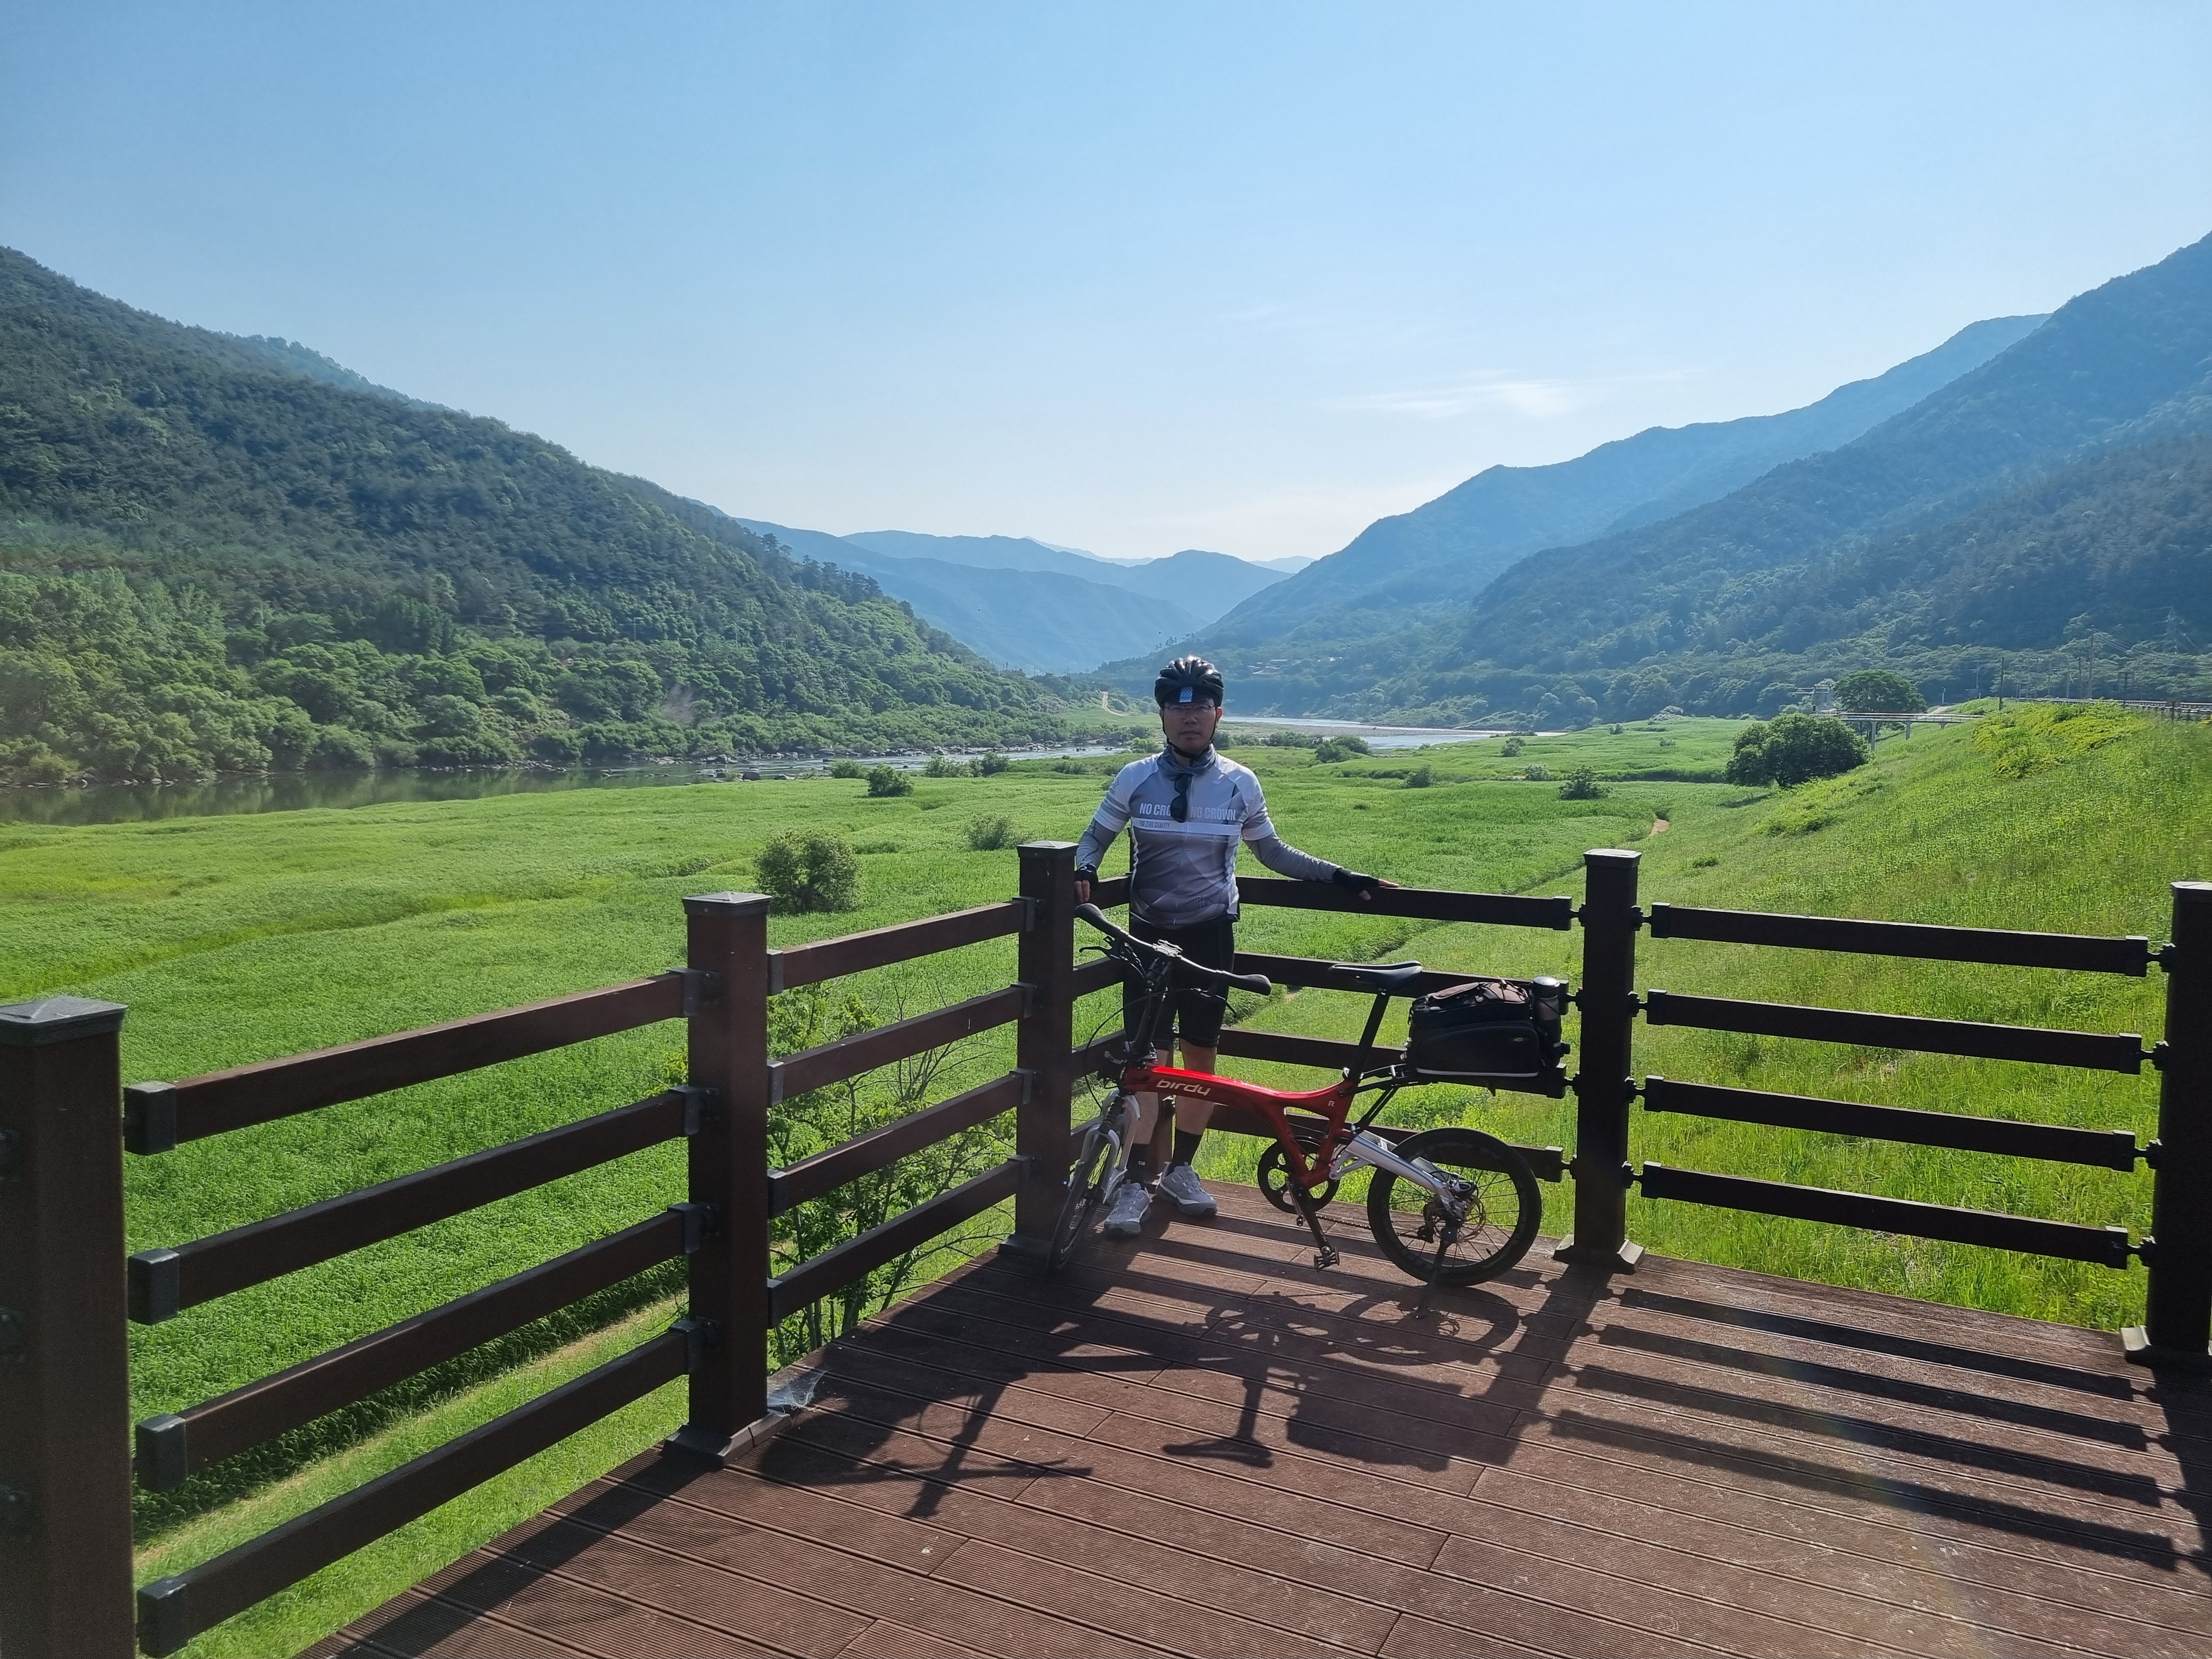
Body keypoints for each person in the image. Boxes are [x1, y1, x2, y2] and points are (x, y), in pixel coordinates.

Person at [1074, 655, 1393, 1237]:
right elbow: (1097, 833)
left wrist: (1341, 877)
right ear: (1162, 715)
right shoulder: (1135, 777)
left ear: (1218, 714)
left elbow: (1272, 852)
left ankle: (1181, 1170)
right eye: (1178, 707)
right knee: (1147, 1064)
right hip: (1146, 938)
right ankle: (1136, 1182)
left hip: (1210, 936)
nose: (1190, 717)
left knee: (1201, 1059)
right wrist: (1084, 867)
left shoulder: (1240, 782)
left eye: (1201, 706)